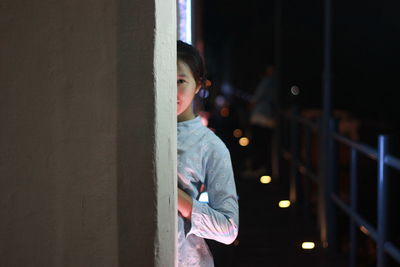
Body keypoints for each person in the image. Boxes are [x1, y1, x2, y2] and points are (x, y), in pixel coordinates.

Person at [176, 40, 239, 267]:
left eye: (180, 81)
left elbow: (229, 228)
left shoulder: (210, 145)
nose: (171, 92)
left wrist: (174, 196)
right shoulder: (138, 130)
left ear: (198, 86)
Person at [248, 64, 278, 177]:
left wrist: (251, 106)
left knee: (258, 144)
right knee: (265, 145)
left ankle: (258, 168)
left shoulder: (267, 81)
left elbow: (257, 97)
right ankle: (264, 168)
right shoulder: (276, 82)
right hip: (269, 117)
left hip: (261, 117)